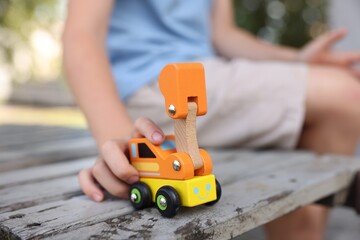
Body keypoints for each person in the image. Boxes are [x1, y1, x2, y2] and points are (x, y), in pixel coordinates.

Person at [63, 0, 360, 239]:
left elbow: (223, 34)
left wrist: (296, 61)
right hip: (153, 84)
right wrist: (120, 140)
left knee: (342, 94)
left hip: (206, 74)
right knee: (347, 95)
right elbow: (82, 34)